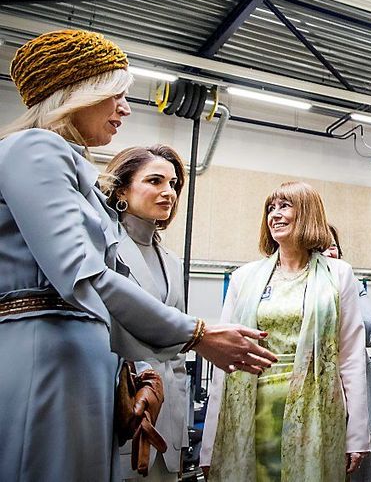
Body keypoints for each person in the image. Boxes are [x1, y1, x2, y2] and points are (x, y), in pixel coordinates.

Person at [0, 29, 276, 481]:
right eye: (116, 95)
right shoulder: (35, 147)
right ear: (77, 92)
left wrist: (141, 367)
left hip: (83, 361)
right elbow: (83, 276)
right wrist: (197, 334)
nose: (125, 109)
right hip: (47, 358)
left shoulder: (74, 168)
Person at [201, 181, 369, 481]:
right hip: (254, 410)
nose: (275, 215)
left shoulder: (338, 275)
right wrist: (210, 443)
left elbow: (351, 356)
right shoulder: (244, 278)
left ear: (307, 213)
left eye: (285, 206)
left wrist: (356, 434)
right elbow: (224, 362)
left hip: (317, 411)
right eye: (270, 208)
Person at [102, 145, 192, 481]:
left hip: (167, 426)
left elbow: (179, 357)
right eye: (155, 181)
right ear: (122, 189)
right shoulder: (104, 247)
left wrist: (180, 430)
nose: (168, 192)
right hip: (120, 410)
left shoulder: (172, 262)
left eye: (173, 184)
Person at [324, 223, 371, 482]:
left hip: (359, 407)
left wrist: (344, 294)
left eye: (333, 246)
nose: (329, 252)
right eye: (321, 248)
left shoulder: (352, 284)